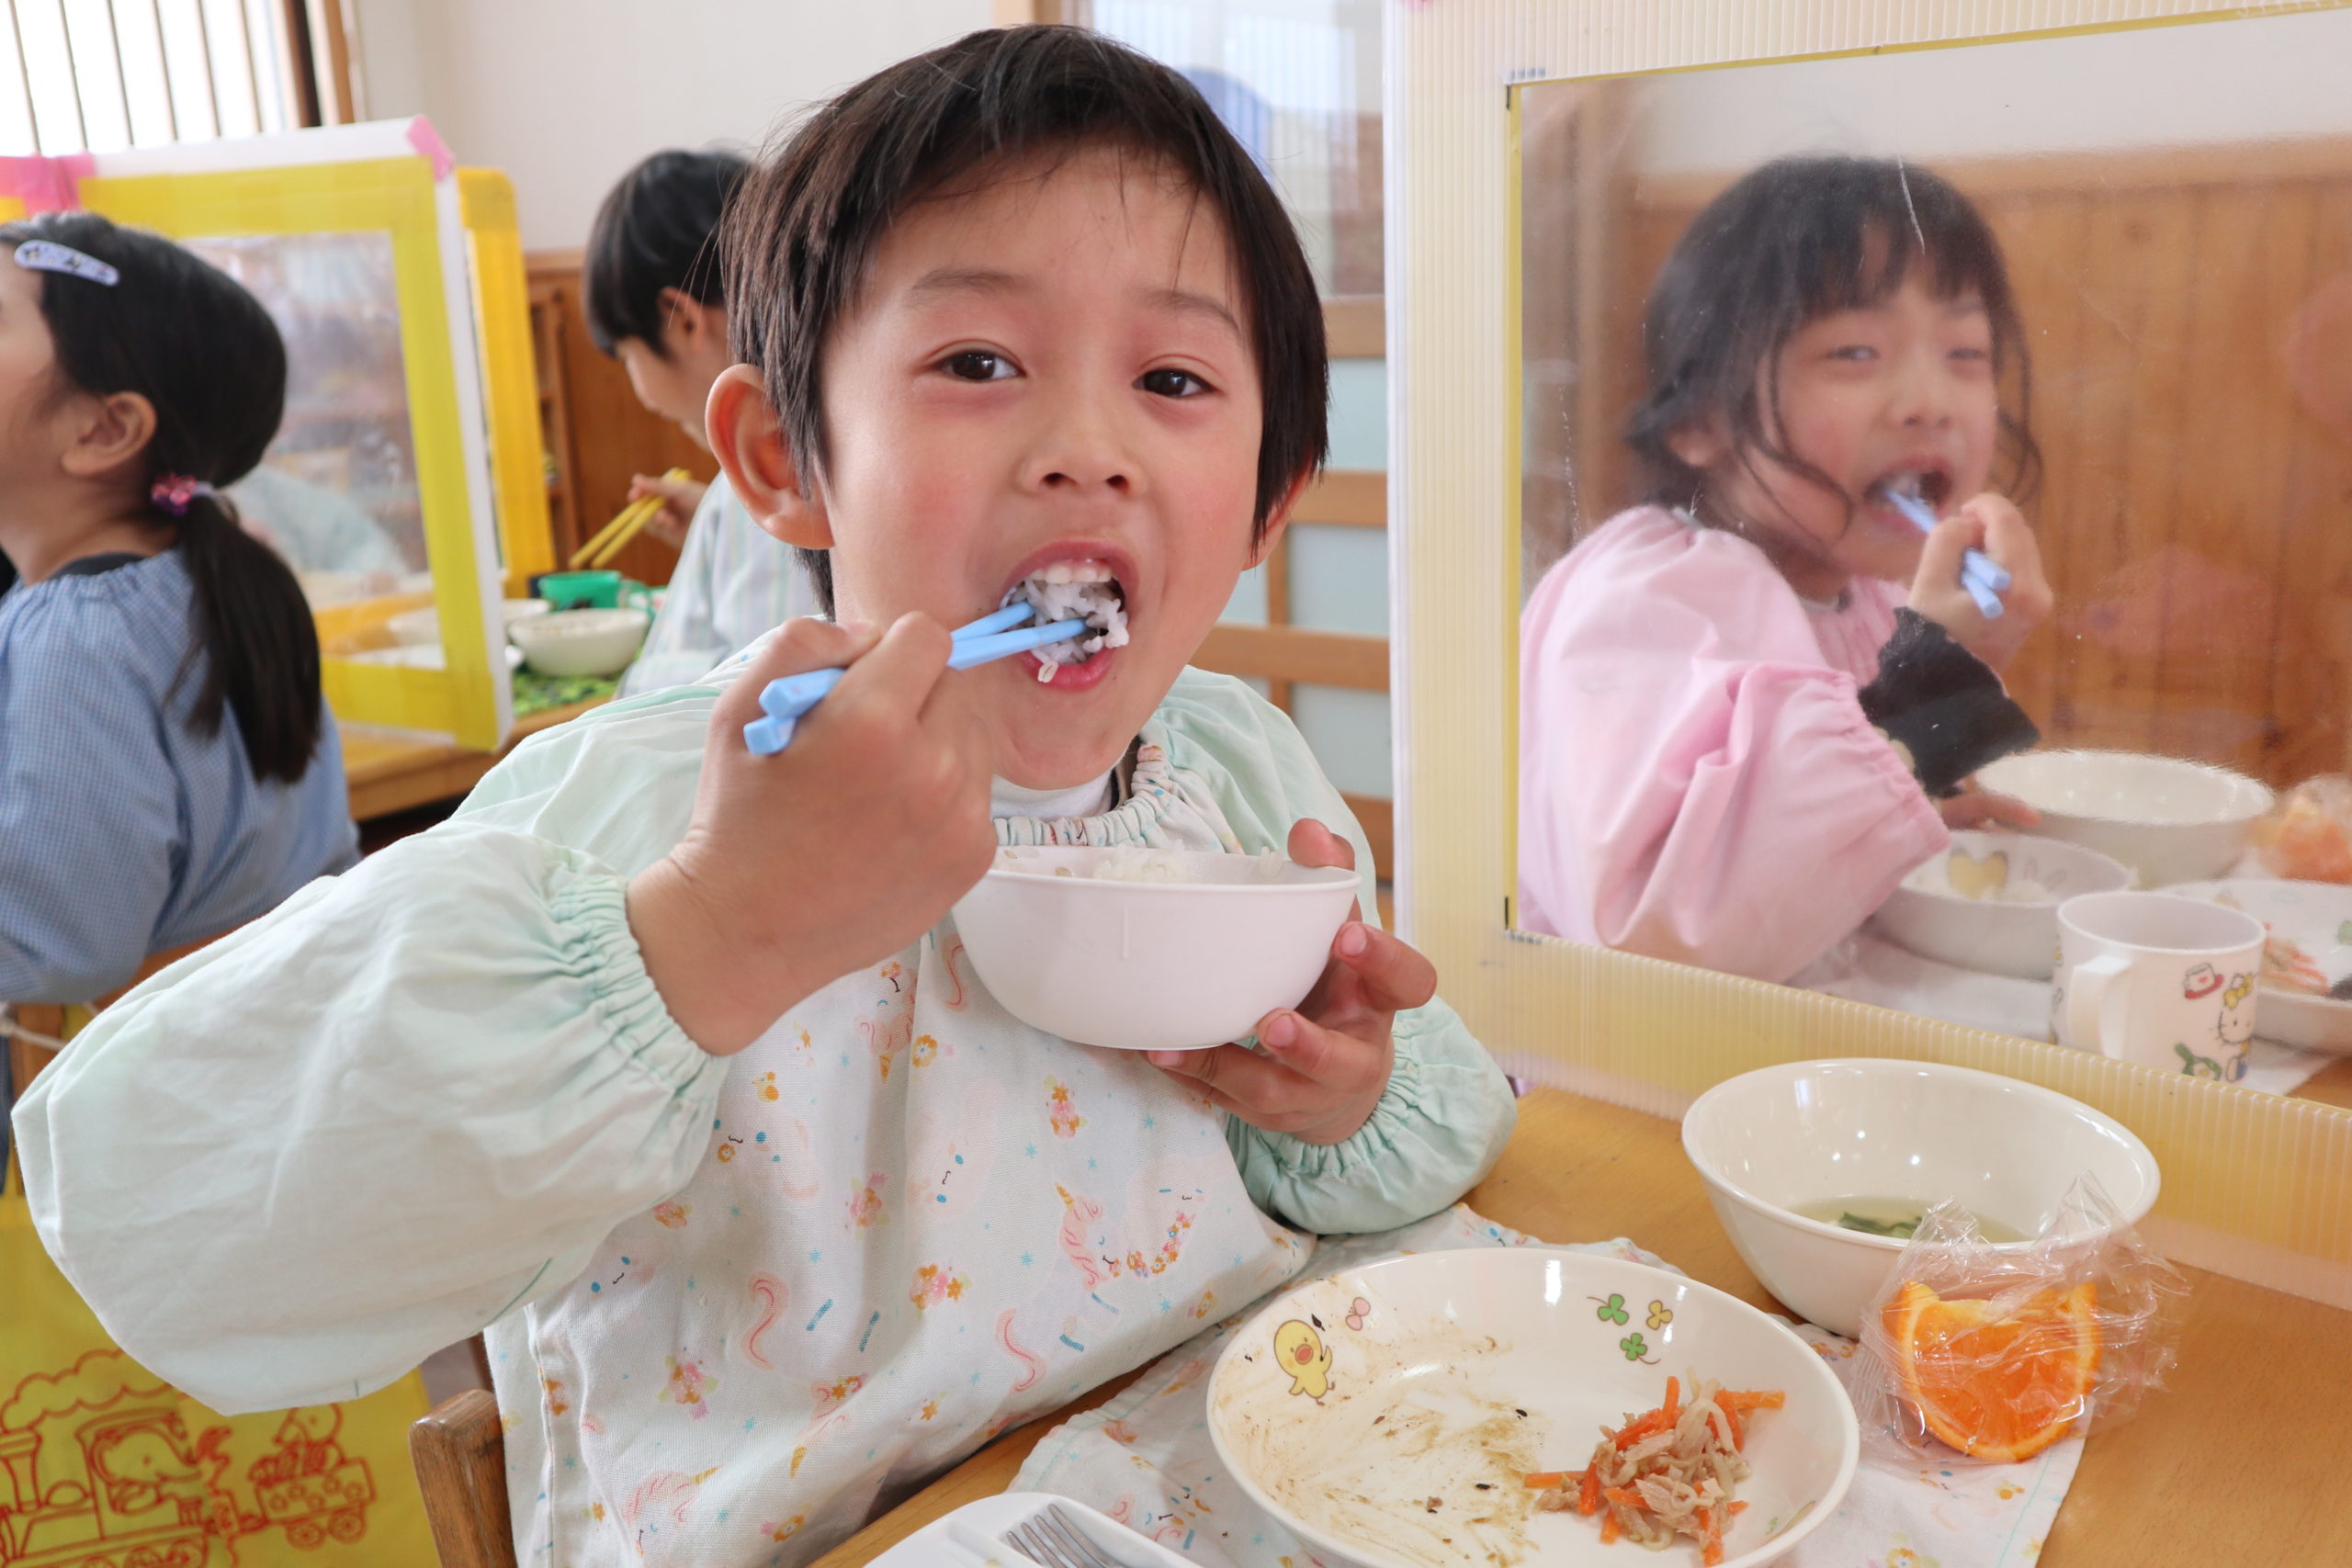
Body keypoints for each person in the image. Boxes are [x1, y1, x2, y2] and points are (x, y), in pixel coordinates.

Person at [17, 28, 1516, 1567]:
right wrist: (708, 931)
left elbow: (1441, 1128)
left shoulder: (1236, 773)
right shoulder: (648, 808)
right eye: (977, 363)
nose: (1088, 451)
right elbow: (154, 1216)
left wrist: (1339, 1103)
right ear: (783, 458)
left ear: (1267, 500)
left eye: (1175, 379)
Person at [1517, 156, 2054, 984]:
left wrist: (1924, 798)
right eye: (1855, 351)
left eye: (1965, 351)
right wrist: (1930, 694)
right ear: (1699, 419)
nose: (1930, 401)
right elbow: (1653, 935)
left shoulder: (1872, 600)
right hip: (1604, 1056)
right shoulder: (1645, 602)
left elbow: (1802, 849)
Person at [0, 213, 357, 1011]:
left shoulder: (72, 638)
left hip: (177, 1058)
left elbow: (57, 946)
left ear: (105, 429)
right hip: (294, 1026)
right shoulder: (214, 577)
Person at [582, 148, 816, 695]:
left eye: (628, 356)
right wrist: (710, 538)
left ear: (683, 320)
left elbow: (767, 686)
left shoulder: (773, 476)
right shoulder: (785, 459)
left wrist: (636, 682)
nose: (641, 393)